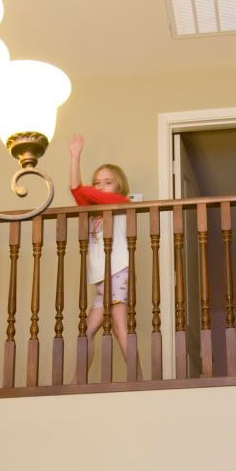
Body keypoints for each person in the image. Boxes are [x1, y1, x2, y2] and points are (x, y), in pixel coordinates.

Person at [69, 134, 142, 380]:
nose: (100, 187)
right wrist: (75, 157)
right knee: (87, 332)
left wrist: (85, 191)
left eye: (107, 182)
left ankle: (138, 379)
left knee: (121, 325)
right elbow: (77, 190)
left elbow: (82, 192)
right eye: (97, 182)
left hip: (118, 271)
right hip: (102, 279)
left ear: (119, 186)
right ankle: (78, 380)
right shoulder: (93, 212)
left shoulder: (121, 202)